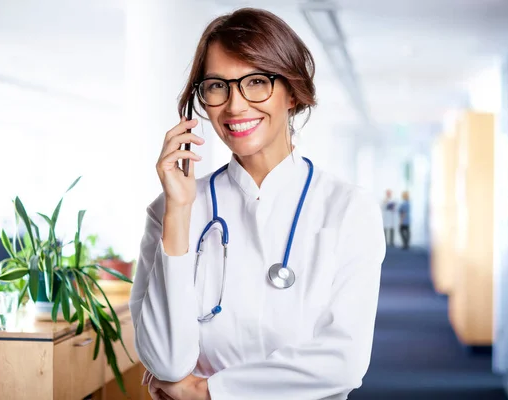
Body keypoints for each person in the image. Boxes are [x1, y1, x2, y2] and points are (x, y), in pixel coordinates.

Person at [129, 8, 386, 400]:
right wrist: (178, 212)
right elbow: (166, 361)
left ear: (293, 93)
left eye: (256, 82)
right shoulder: (171, 210)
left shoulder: (348, 210)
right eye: (217, 86)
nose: (235, 106)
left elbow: (343, 362)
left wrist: (207, 391)